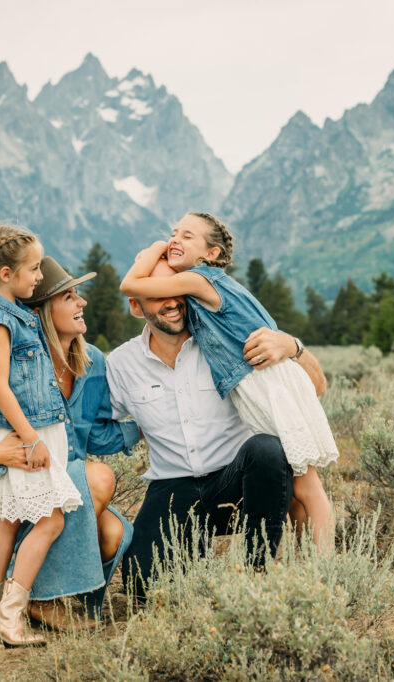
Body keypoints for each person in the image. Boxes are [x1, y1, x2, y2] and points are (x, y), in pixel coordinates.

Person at [108, 257, 328, 603]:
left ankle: (256, 578)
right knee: (142, 589)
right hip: (172, 488)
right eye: (159, 294)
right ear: (136, 306)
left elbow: (316, 386)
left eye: (179, 288)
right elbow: (95, 426)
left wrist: (292, 346)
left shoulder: (226, 343)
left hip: (238, 482)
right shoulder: (120, 365)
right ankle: (192, 552)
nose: (173, 300)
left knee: (268, 449)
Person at [119, 212, 338, 548]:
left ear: (212, 254)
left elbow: (130, 284)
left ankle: (314, 567)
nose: (176, 239)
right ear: (138, 309)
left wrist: (155, 248)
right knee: (301, 482)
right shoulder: (125, 360)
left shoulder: (200, 281)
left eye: (187, 235)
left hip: (264, 394)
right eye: (174, 232)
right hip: (177, 483)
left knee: (300, 480)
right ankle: (314, 563)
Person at [0, 257, 139, 630]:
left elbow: (101, 435)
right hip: (8, 488)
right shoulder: (21, 363)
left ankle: (45, 596)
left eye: (79, 295)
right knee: (99, 480)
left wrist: (147, 424)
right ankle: (36, 601)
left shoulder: (93, 362)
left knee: (115, 533)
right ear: (42, 310)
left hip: (58, 485)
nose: (82, 303)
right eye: (69, 296)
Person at [0, 224, 80, 647]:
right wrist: (30, 438)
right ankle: (11, 615)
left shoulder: (11, 315)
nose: (39, 278)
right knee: (50, 520)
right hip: (23, 433)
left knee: (9, 521)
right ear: (7, 273)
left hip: (27, 430)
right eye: (32, 269)